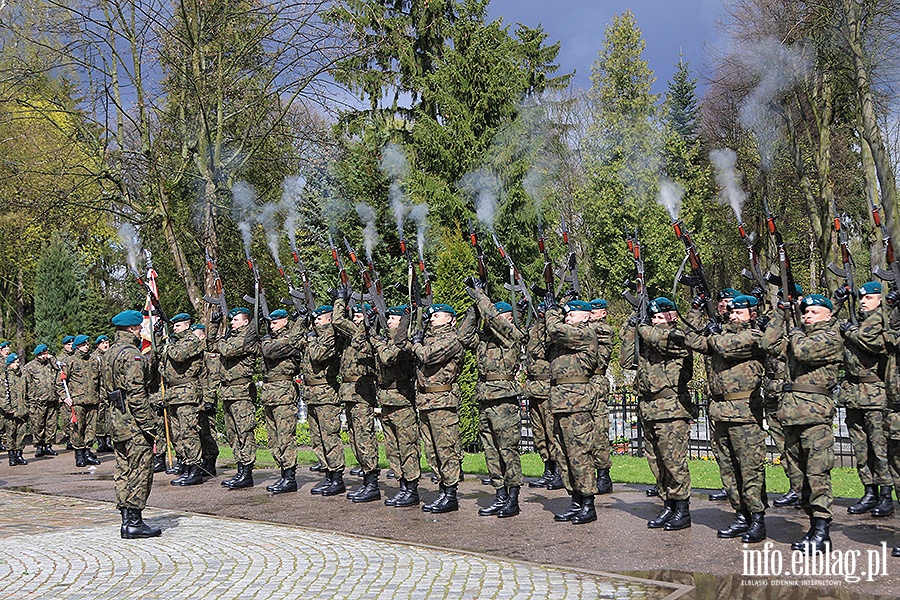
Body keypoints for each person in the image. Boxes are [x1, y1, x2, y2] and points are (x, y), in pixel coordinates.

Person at [762, 294, 843, 553]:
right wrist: (781, 313)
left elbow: (803, 351)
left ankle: (822, 529)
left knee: (817, 474)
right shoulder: (798, 334)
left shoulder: (831, 337)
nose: (808, 316)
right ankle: (812, 525)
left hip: (815, 416)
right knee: (799, 475)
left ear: (828, 315)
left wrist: (795, 330)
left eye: (814, 312)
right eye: (805, 312)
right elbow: (768, 343)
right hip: (791, 415)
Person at [686, 294, 768, 542]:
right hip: (721, 412)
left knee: (750, 468)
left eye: (739, 313)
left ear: (751, 314)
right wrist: (695, 311)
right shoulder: (720, 334)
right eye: (730, 312)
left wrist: (713, 334)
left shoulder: (755, 335)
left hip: (744, 412)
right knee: (729, 469)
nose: (733, 316)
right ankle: (741, 514)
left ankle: (757, 518)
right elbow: (691, 338)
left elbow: (725, 347)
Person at [619, 297, 694, 531]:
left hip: (671, 408)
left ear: (672, 315)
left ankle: (682, 508)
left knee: (674, 462)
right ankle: (668, 505)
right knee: (658, 463)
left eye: (660, 317)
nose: (655, 322)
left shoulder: (678, 336)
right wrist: (631, 327)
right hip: (649, 408)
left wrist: (643, 327)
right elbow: (626, 360)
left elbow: (660, 340)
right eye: (652, 318)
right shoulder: (647, 338)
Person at [459, 282, 524, 518]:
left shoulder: (513, 336)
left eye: (499, 316)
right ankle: (499, 494)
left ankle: (513, 496)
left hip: (504, 399)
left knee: (507, 449)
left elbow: (496, 321)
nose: (493, 320)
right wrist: (475, 308)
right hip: (485, 397)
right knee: (490, 449)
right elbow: (463, 336)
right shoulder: (484, 339)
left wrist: (481, 296)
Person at [101, 309, 161, 539]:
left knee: (124, 470)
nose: (140, 331)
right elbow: (136, 394)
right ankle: (134, 521)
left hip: (117, 420)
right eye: (139, 328)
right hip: (133, 423)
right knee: (140, 471)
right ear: (131, 329)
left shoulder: (109, 353)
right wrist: (150, 425)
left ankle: (126, 519)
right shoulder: (132, 355)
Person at [836, 282, 892, 517]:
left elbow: (875, 344)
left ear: (880, 299)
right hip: (853, 393)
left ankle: (886, 494)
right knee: (860, 446)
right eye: (861, 297)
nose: (863, 300)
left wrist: (850, 332)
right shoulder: (858, 321)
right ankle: (869, 490)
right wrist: (838, 300)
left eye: (868, 297)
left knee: (880, 447)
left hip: (875, 393)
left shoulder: (883, 320)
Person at [544, 297, 599, 525]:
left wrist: (552, 311)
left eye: (571, 314)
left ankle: (588, 503)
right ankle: (575, 500)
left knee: (579, 455)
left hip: (577, 403)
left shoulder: (585, 334)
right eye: (566, 314)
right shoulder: (565, 339)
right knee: (564, 456)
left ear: (586, 316)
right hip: (559, 402)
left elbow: (555, 329)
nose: (567, 317)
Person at [409, 303, 467, 514]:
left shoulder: (452, 339)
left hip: (442, 400)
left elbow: (427, 356)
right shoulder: (428, 338)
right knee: (432, 451)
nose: (433, 318)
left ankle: (451, 494)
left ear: (451, 319)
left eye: (438, 316)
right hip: (426, 400)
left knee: (446, 450)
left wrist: (416, 345)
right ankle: (443, 490)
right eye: (432, 316)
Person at [332, 292, 381, 503]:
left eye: (361, 315)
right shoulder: (353, 333)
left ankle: (372, 483)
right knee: (354, 438)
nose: (356, 318)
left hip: (362, 391)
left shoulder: (362, 333)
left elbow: (336, 320)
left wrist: (340, 300)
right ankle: (366, 480)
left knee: (364, 438)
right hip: (350, 391)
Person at [372, 306, 421, 507]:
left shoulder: (405, 345)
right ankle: (402, 485)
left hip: (401, 401)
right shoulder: (387, 342)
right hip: (386, 401)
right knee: (392, 448)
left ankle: (411, 488)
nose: (389, 322)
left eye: (393, 319)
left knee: (407, 446)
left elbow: (387, 357)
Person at [207, 307, 260, 490]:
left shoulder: (247, 338)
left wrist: (222, 335)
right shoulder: (230, 336)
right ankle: (240, 469)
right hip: (228, 392)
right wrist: (214, 326)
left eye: (235, 320)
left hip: (241, 392)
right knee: (232, 434)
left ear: (245, 322)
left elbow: (227, 350)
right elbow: (211, 345)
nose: (231, 323)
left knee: (244, 433)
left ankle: (247, 471)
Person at [259, 309, 305, 494]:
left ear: (286, 321)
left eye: (275, 322)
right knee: (274, 438)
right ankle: (282, 472)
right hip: (270, 393)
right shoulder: (270, 338)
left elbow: (271, 351)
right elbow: (264, 347)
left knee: (285, 437)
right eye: (270, 322)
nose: (272, 325)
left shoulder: (292, 337)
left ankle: (289, 476)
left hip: (284, 392)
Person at [304, 305, 346, 496]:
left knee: (330, 438)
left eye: (319, 319)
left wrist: (312, 340)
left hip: (326, 393)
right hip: (312, 393)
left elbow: (318, 355)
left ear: (329, 319)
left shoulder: (330, 336)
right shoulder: (317, 335)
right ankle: (328, 474)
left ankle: (337, 477)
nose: (315, 323)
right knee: (317, 439)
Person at [160, 313, 207, 486]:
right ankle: (186, 466)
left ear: (187, 325)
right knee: (178, 434)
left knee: (189, 432)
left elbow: (178, 355)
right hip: (174, 393)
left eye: (177, 326)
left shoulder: (192, 340)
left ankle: (195, 469)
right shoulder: (177, 342)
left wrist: (169, 344)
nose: (174, 328)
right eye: (173, 326)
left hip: (187, 392)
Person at [524, 303, 563, 490]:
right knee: (539, 434)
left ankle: (558, 472)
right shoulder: (534, 330)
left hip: (547, 386)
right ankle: (547, 469)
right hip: (533, 388)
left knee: (552, 432)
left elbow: (545, 348)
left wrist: (556, 309)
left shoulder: (551, 330)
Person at [588, 298, 615, 496]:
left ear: (603, 313)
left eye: (594, 311)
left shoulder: (604, 330)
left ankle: (604, 475)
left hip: (596, 383)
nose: (590, 313)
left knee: (599, 432)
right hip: (582, 385)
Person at [67, 335, 102, 467]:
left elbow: (100, 380)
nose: (86, 346)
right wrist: (65, 397)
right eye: (83, 345)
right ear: (77, 346)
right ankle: (79, 455)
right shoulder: (70, 361)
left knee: (91, 429)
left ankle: (87, 452)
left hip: (92, 400)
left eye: (87, 344)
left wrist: (101, 397)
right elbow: (60, 381)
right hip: (78, 401)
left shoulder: (94, 360)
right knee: (78, 428)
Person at [24, 344, 61, 457]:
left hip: (52, 399)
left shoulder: (51, 364)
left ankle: (48, 445)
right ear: (38, 355)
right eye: (43, 354)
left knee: (51, 424)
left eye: (46, 353)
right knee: (38, 424)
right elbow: (27, 385)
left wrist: (52, 358)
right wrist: (31, 400)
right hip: (37, 402)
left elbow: (60, 368)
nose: (45, 356)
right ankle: (39, 446)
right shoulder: (30, 367)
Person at [194, 325, 220, 476]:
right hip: (197, 397)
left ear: (203, 336)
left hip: (206, 397)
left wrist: (209, 399)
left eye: (195, 336)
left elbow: (214, 378)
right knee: (198, 431)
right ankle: (204, 459)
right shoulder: (195, 353)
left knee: (208, 431)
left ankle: (211, 461)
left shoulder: (209, 355)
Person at [2, 353, 28, 466]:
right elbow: (2, 396)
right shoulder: (4, 377)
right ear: (9, 364)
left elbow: (28, 391)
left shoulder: (22, 376)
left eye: (18, 362)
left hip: (22, 410)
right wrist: (8, 409)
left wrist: (28, 406)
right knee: (10, 435)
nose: (17, 364)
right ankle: (11, 456)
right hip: (10, 413)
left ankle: (19, 454)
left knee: (21, 434)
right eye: (14, 362)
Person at [93, 335, 114, 453]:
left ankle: (108, 441)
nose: (105, 345)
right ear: (98, 345)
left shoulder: (110, 355)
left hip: (109, 391)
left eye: (107, 343)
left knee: (109, 416)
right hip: (99, 391)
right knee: (100, 417)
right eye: (103, 343)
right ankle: (101, 441)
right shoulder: (95, 357)